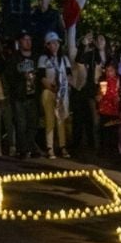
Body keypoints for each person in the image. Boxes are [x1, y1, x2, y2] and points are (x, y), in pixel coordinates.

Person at [7, 31, 43, 159]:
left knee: (33, 124)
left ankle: (31, 146)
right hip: (20, 95)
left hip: (33, 94)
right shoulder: (14, 58)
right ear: (20, 42)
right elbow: (9, 76)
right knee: (21, 124)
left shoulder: (36, 57)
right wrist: (21, 77)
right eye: (25, 40)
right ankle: (23, 149)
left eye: (29, 39)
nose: (28, 42)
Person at [38, 31, 72, 159]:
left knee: (61, 119)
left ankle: (62, 146)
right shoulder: (43, 59)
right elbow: (41, 77)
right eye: (52, 43)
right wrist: (52, 88)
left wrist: (65, 86)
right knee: (50, 119)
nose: (55, 45)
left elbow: (68, 74)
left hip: (62, 93)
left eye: (56, 42)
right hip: (49, 92)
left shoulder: (63, 58)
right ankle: (50, 147)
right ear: (47, 45)